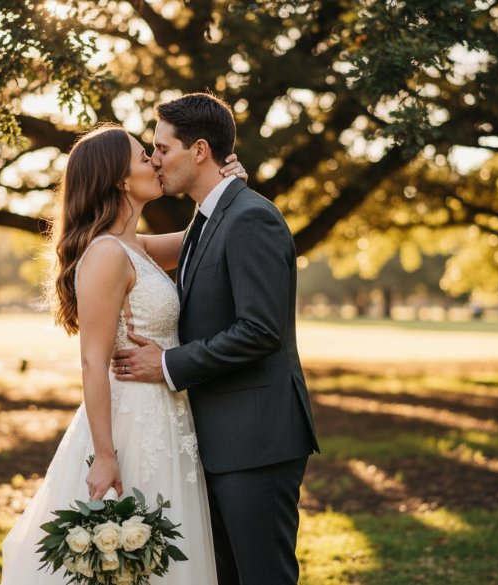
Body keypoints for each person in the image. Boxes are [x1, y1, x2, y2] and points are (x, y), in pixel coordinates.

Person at [0, 123, 248, 584]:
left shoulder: (137, 247)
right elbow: (92, 361)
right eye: (143, 157)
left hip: (168, 416)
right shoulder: (106, 254)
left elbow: (202, 236)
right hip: (130, 421)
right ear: (119, 179)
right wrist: (105, 455)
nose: (155, 161)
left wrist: (225, 186)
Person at [111, 93, 320, 585]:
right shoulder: (207, 220)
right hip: (219, 439)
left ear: (200, 150)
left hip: (257, 440)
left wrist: (168, 364)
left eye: (163, 149)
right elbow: (123, 248)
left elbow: (260, 330)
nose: (155, 160)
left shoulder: (251, 218)